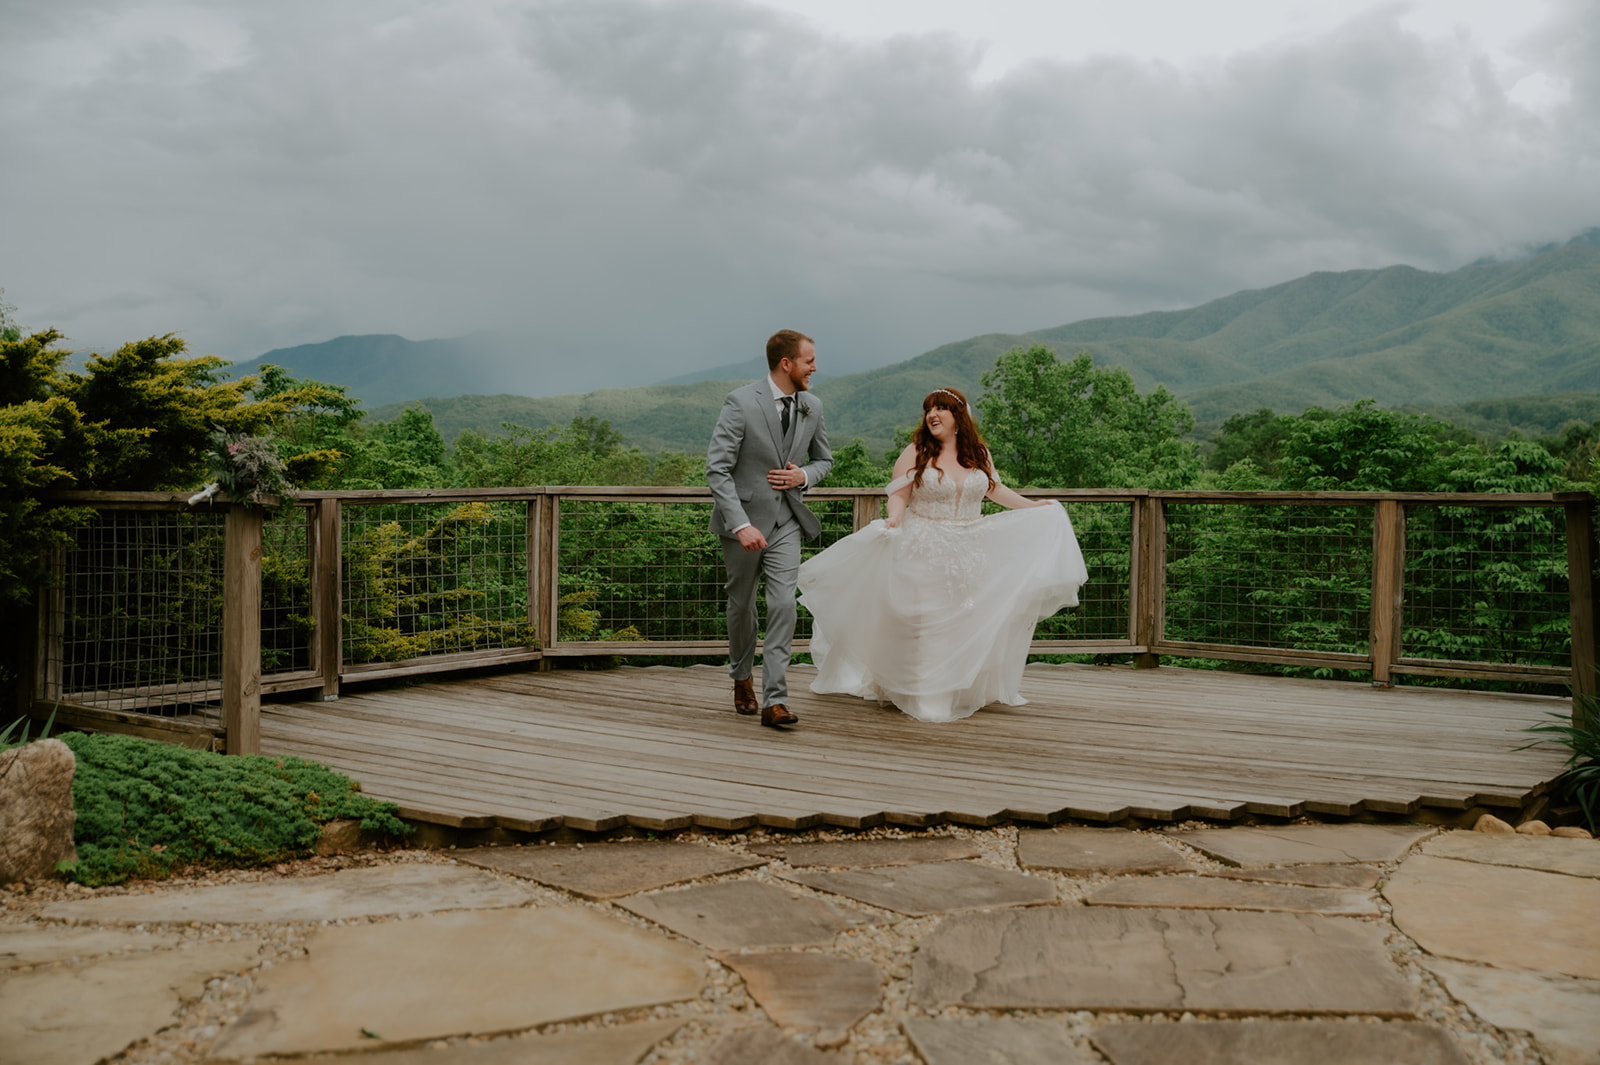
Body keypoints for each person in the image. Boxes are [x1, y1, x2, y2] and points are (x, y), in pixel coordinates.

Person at [798, 387, 1087, 723]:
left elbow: (995, 490)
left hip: (970, 549)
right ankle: (924, 693)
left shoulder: (978, 452)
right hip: (924, 545)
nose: (932, 414)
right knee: (925, 621)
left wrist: (1034, 506)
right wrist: (893, 518)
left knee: (964, 622)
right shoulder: (916, 451)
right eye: (928, 409)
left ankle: (956, 688)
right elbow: (899, 494)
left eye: (941, 409)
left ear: (958, 417)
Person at [706, 329, 834, 729]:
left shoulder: (812, 405)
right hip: (743, 526)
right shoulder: (741, 402)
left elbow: (824, 461)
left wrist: (804, 477)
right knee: (741, 606)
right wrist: (740, 525)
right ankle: (741, 677)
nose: (815, 367)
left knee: (783, 605)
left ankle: (775, 700)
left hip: (787, 524)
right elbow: (718, 469)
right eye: (809, 360)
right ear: (786, 364)